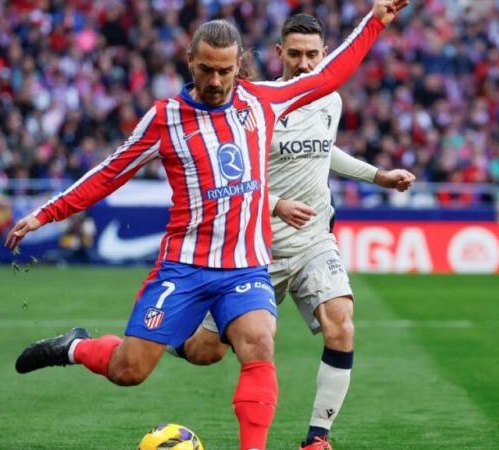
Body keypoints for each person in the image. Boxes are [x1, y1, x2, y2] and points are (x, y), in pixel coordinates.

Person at [5, 2, 410, 449]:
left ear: (240, 66)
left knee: (259, 342)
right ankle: (76, 347)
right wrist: (46, 212)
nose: (216, 82)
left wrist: (375, 21)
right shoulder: (165, 119)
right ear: (190, 61)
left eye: (225, 71)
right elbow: (109, 172)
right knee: (131, 370)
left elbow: (328, 76)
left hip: (246, 266)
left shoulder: (261, 102)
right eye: (206, 70)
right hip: (184, 266)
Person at [166, 13, 416, 450]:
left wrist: (379, 176)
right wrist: (275, 205)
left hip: (314, 239)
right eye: (295, 54)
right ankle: (164, 341)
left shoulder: (329, 100)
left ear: (324, 56)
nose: (304, 64)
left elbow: (325, 150)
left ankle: (317, 438)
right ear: (279, 54)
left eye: (313, 55)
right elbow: (227, 179)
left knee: (341, 324)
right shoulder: (251, 106)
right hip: (254, 248)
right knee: (206, 352)